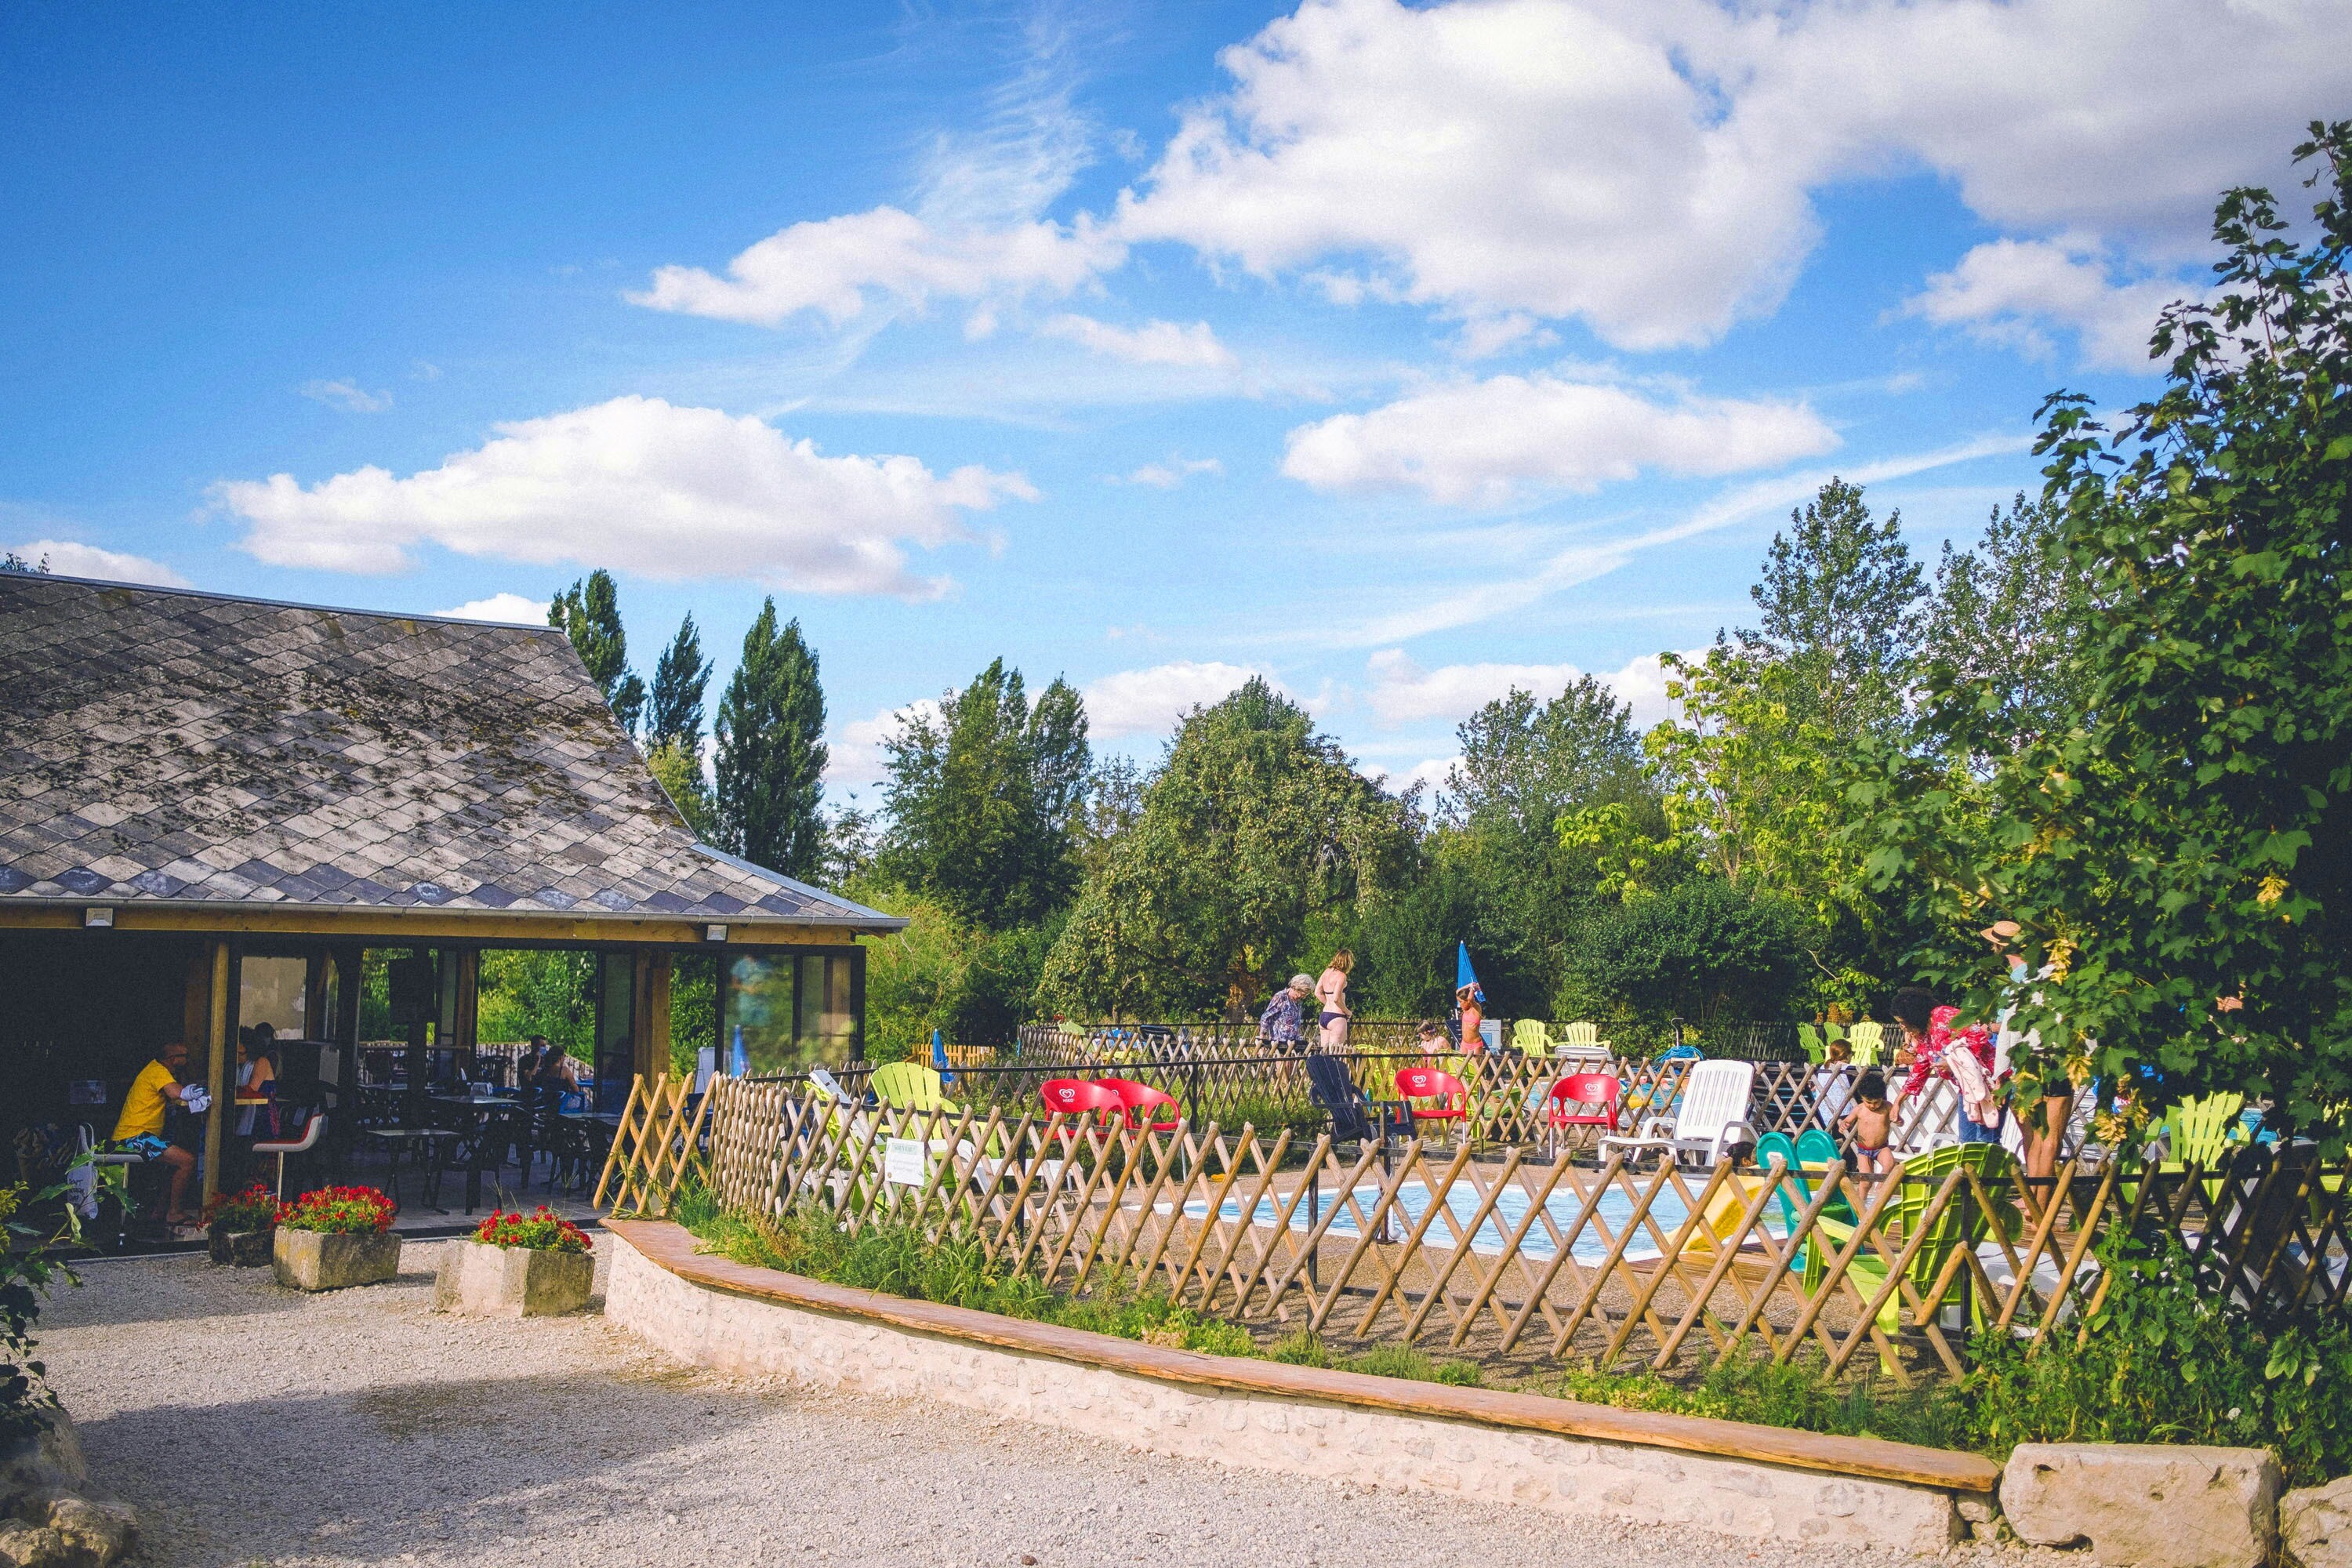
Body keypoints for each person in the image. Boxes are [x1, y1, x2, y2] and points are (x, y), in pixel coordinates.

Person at [111, 1040, 201, 1225]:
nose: (188, 1060)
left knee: (173, 1165)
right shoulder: (158, 1071)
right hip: (134, 1137)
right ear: (173, 1059)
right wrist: (201, 1091)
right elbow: (177, 1093)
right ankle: (174, 1213)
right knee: (187, 1161)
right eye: (185, 1056)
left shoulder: (156, 1070)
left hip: (137, 1135)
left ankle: (158, 1212)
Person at [1839, 1068, 1895, 1178]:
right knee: (1865, 1182)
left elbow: (1899, 1120)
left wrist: (1898, 1120)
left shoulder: (1887, 1107)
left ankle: (1880, 1186)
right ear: (1862, 1098)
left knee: (1890, 1165)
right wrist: (1844, 1125)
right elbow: (1847, 1120)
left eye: (1876, 1102)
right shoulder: (1859, 1109)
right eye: (1868, 1102)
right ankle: (1864, 1191)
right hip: (1864, 1150)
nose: (1873, 1106)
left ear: (1882, 1098)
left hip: (1882, 1148)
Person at [234, 1025, 278, 1140]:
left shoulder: (262, 1062)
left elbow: (251, 1090)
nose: (236, 1057)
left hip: (262, 1118)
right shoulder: (239, 1067)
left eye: (240, 1054)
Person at [1258, 976, 1312, 1052]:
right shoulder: (1281, 997)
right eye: (1300, 993)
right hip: (1280, 1041)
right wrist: (1262, 1036)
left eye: (1304, 995)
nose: (1301, 996)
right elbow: (1266, 1017)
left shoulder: (1299, 1001)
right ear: (1294, 988)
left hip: (1294, 1040)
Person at [1315, 951, 1354, 1051]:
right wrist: (1347, 1012)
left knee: (1324, 1052)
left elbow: (1317, 992)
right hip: (1337, 1017)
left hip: (1324, 1015)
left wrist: (1328, 1003)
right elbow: (1337, 998)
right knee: (1335, 1053)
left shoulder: (1326, 972)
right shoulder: (1342, 976)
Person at [1813, 1038, 1855, 1130]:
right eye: (1852, 1053)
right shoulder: (1850, 1070)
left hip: (1821, 1117)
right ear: (1847, 1055)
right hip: (1843, 1120)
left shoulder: (1823, 1068)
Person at [1454, 982, 1486, 1054]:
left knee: (1475, 1062)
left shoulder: (1476, 1009)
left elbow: (1470, 999)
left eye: (1461, 1002)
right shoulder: (1465, 1010)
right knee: (1462, 1061)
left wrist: (1472, 988)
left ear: (1467, 1001)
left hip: (1475, 1045)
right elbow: (1457, 992)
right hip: (1464, 1044)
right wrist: (1470, 985)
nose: (1460, 1005)